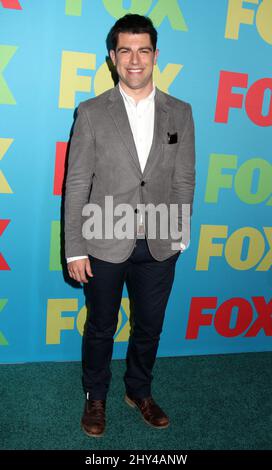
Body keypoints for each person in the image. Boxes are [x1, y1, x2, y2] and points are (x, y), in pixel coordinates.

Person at [64, 13, 196, 438]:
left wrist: (178, 232)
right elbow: (77, 181)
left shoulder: (181, 112)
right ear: (112, 57)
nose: (134, 60)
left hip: (160, 241)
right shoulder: (90, 112)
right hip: (102, 238)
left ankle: (139, 390)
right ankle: (95, 396)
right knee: (101, 325)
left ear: (155, 56)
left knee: (150, 325)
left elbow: (184, 178)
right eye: (125, 51)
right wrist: (74, 247)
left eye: (143, 51)